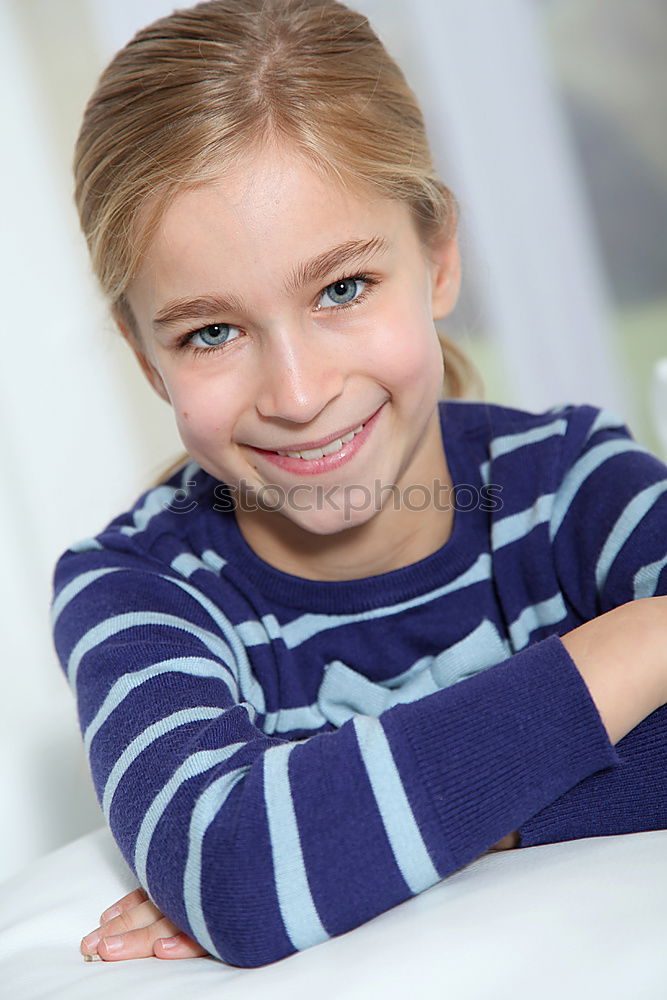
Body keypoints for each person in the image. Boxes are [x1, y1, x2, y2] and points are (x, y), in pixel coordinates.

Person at [52, 0, 667, 971]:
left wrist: (365, 838)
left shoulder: (571, 487)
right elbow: (244, 873)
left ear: (436, 258)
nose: (298, 395)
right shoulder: (133, 591)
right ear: (145, 358)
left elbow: (289, 858)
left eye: (341, 288)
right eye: (210, 331)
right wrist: (646, 634)